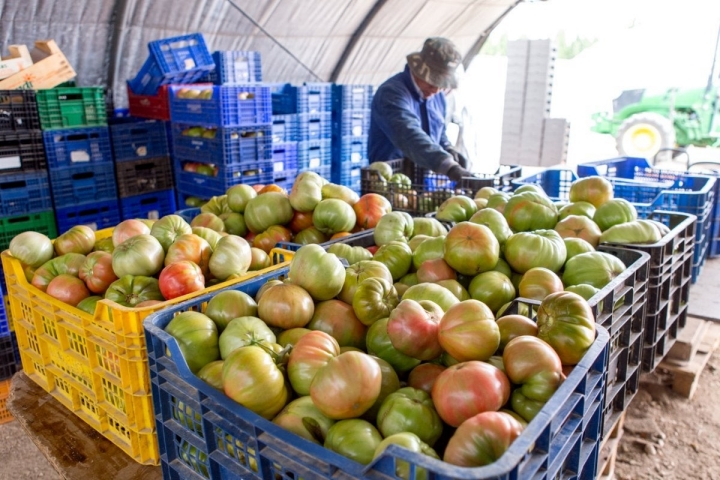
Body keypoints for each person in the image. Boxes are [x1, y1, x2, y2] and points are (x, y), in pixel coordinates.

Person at [368, 37, 472, 181]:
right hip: (389, 182)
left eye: (441, 84)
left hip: (421, 183)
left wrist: (448, 149)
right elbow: (409, 135)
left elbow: (439, 131)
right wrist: (448, 166)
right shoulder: (391, 93)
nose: (436, 89)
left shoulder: (437, 97)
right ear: (418, 70)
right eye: (432, 82)